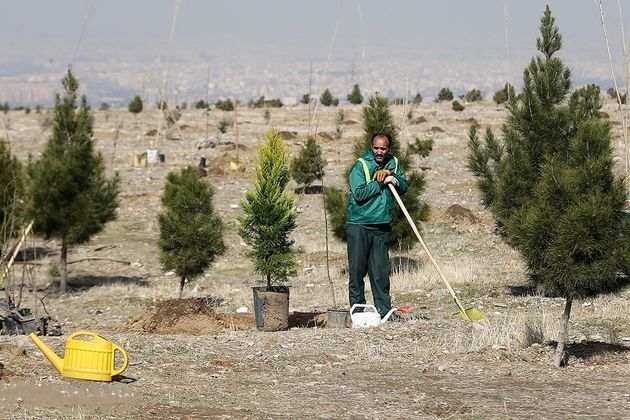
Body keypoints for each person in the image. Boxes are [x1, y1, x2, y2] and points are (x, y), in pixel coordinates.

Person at [346, 132, 408, 318]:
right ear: (371, 146)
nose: (379, 152)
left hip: (382, 225)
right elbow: (359, 193)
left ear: (389, 149)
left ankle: (384, 311)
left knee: (380, 272)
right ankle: (358, 312)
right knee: (357, 271)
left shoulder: (393, 163)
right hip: (360, 224)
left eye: (383, 148)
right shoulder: (360, 165)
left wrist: (394, 178)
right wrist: (379, 182)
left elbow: (404, 186)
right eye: (376, 148)